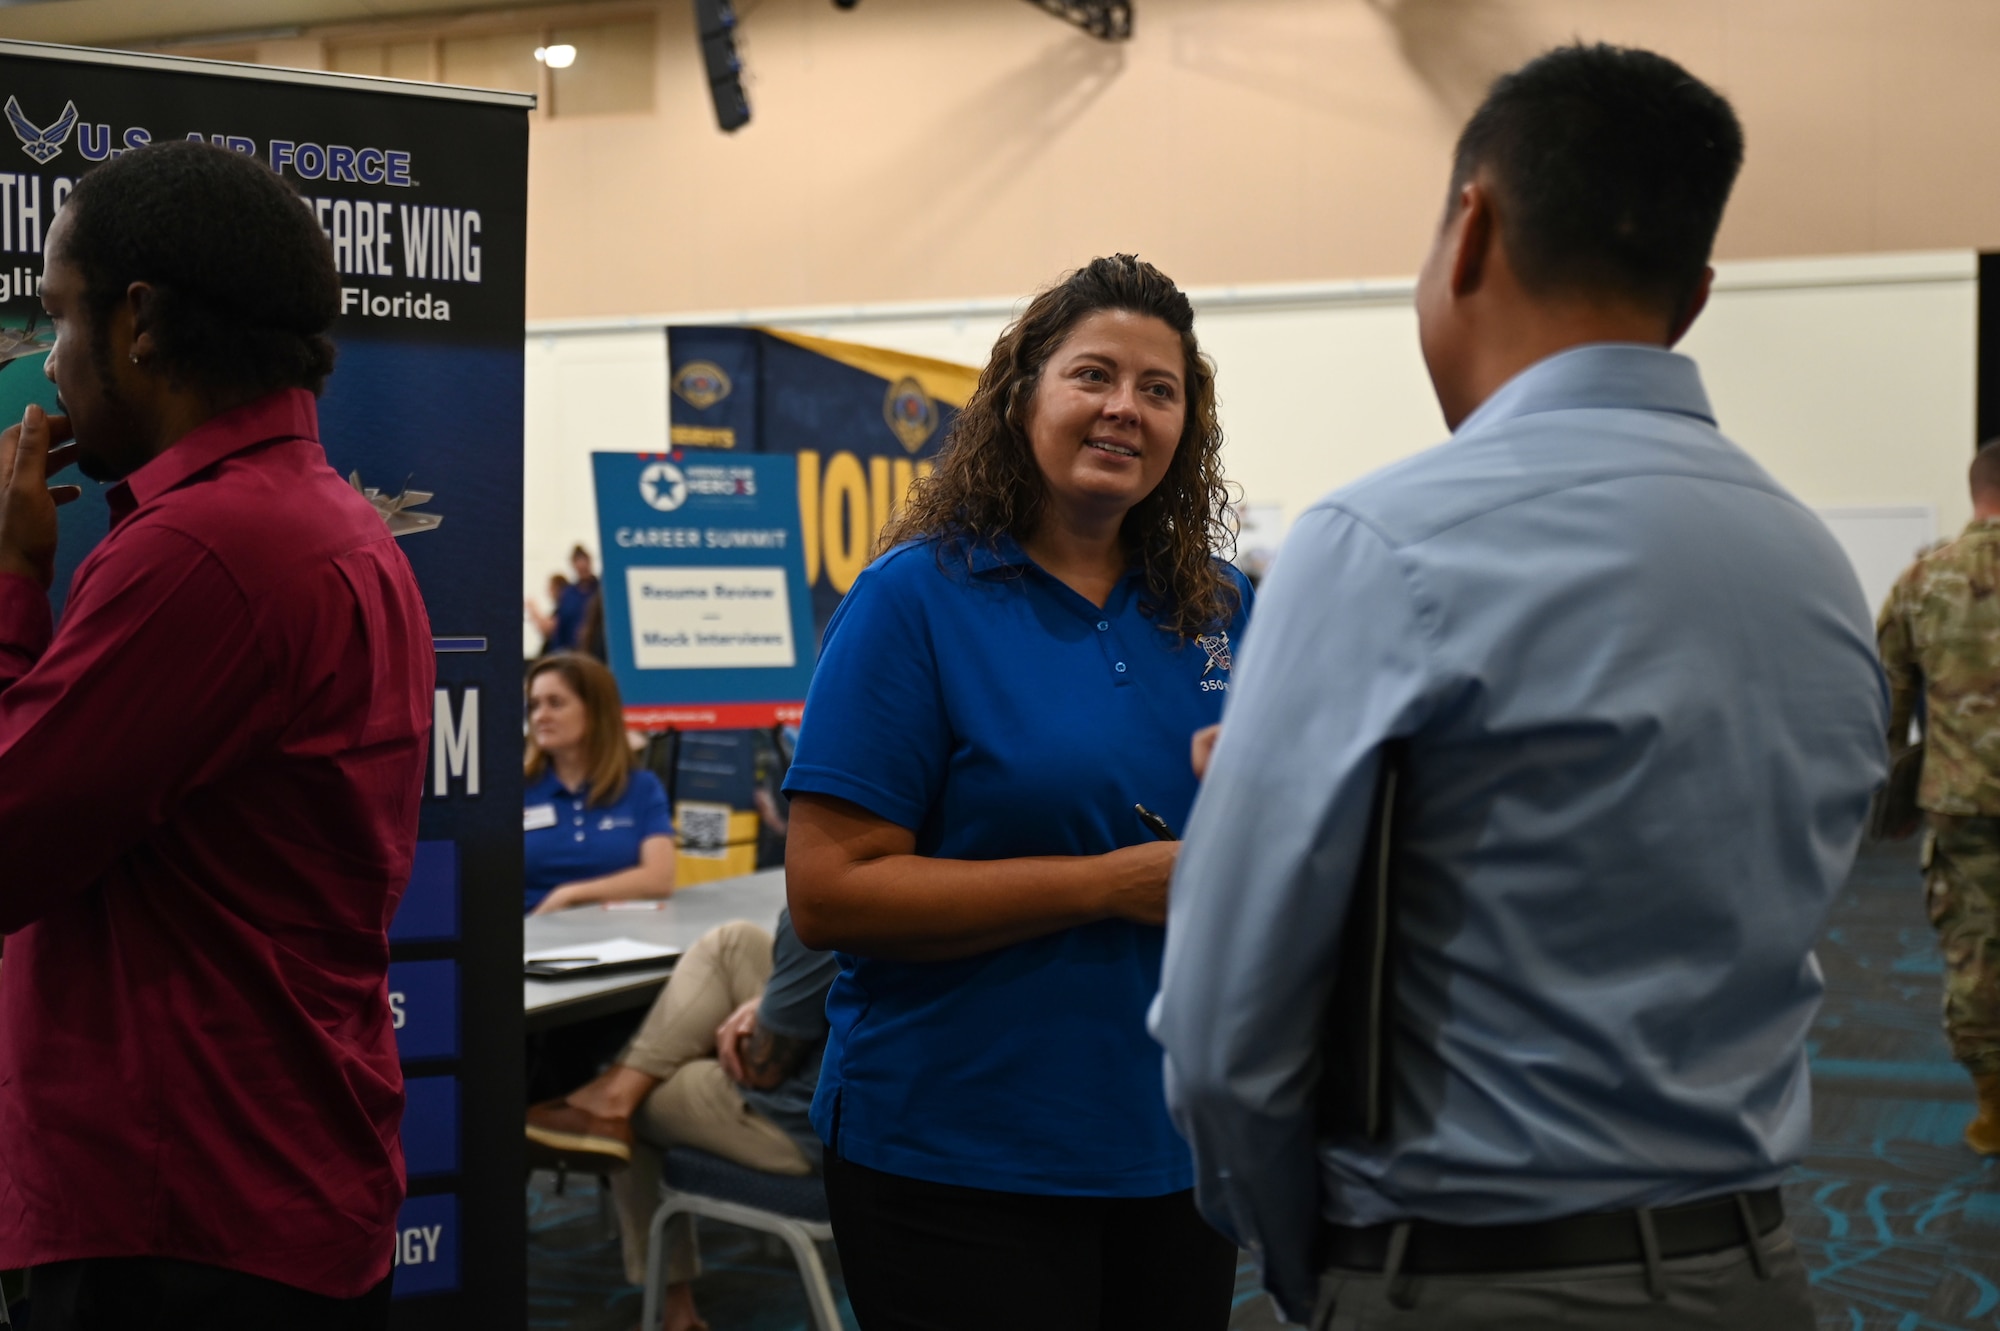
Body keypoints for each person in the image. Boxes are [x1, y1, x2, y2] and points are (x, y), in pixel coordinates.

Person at [1154, 44, 1888, 1330]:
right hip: (1754, 1270)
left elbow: (1223, 1041)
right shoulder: (1812, 564)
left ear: (1469, 226)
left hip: (1461, 1279)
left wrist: (1307, 1265)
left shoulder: (1379, 544)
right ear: (1696, 293)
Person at [0, 141, 432, 1326]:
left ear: (138, 322)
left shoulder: (201, 553)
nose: (50, 365)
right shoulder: (330, 522)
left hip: (178, 1209)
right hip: (271, 1184)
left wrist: (9, 580)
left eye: (57, 322)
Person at [782, 254, 1251, 1331]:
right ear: (1021, 395)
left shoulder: (1226, 608)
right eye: (1092, 375)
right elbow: (830, 892)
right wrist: (1104, 886)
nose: (1123, 408)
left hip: (1177, 1141)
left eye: (1158, 388)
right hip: (959, 1146)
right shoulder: (915, 600)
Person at [525, 910, 838, 1331]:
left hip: (815, 1129)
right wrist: (771, 1003)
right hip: (889, 1100)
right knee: (735, 942)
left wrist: (762, 1022)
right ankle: (617, 1092)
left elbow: (765, 1067)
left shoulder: (820, 911)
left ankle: (676, 1314)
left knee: (643, 1096)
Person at [1877, 440, 2000, 1153]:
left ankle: (1993, 1108)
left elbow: (1885, 707)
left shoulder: (1923, 580)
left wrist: (1892, 788)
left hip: (1963, 801)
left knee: (1977, 952)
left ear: (1975, 490)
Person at [524, 652, 676, 913]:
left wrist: (568, 895)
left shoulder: (641, 788)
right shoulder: (516, 790)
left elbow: (660, 878)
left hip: (623, 941)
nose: (540, 716)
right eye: (535, 705)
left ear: (595, 711)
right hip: (532, 943)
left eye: (555, 703)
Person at [548, 542, 599, 652]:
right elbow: (560, 629)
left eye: (585, 563)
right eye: (578, 564)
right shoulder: (568, 594)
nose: (582, 568)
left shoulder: (601, 591)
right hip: (572, 651)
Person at [526, 571, 569, 656]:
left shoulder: (564, 609)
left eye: (550, 588)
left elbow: (548, 630)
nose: (548, 592)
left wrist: (533, 609)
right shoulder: (559, 609)